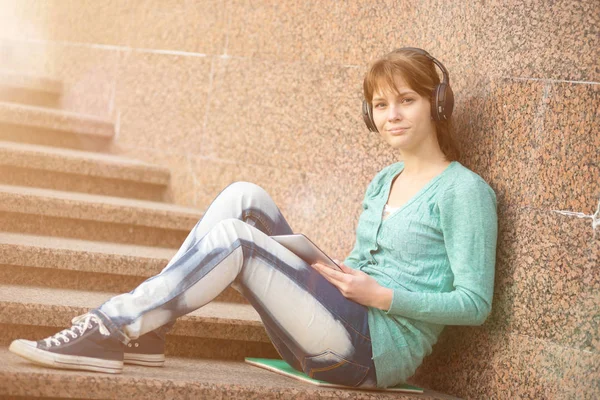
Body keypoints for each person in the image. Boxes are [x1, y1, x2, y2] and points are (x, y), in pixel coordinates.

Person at [9, 47, 498, 389]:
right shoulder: (383, 180)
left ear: (437, 104)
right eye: (381, 105)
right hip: (339, 321)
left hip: (370, 354)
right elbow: (364, 264)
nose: (392, 115)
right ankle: (150, 329)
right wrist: (342, 274)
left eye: (407, 100)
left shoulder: (464, 191)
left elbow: (475, 304)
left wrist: (382, 296)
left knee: (238, 242)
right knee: (245, 196)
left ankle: (112, 325)